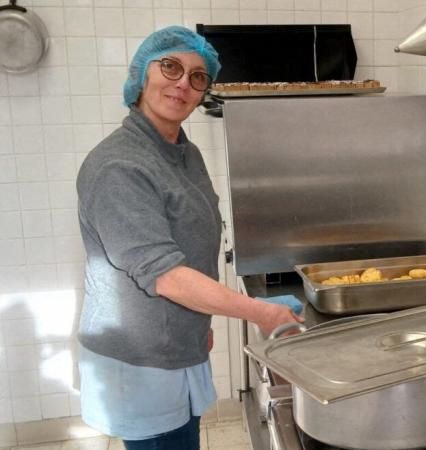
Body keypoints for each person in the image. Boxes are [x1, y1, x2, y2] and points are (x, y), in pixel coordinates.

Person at [75, 26, 303, 450]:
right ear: (142, 75)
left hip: (177, 341)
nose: (183, 83)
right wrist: (259, 312)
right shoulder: (119, 167)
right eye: (171, 67)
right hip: (141, 358)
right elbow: (165, 275)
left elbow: (192, 248)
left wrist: (199, 323)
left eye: (198, 77)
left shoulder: (183, 151)